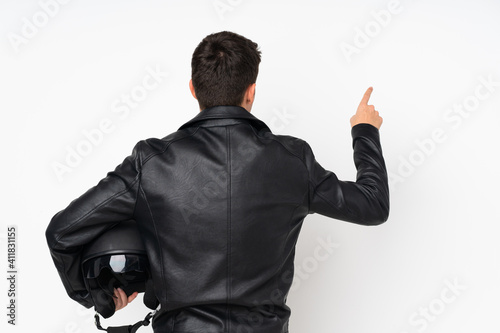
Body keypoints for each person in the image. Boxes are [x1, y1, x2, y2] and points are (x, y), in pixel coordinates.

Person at [46, 31, 389, 333]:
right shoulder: (292, 159)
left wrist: (97, 296)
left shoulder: (150, 163)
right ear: (251, 92)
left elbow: (61, 232)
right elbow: (373, 204)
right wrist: (365, 131)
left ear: (193, 88)